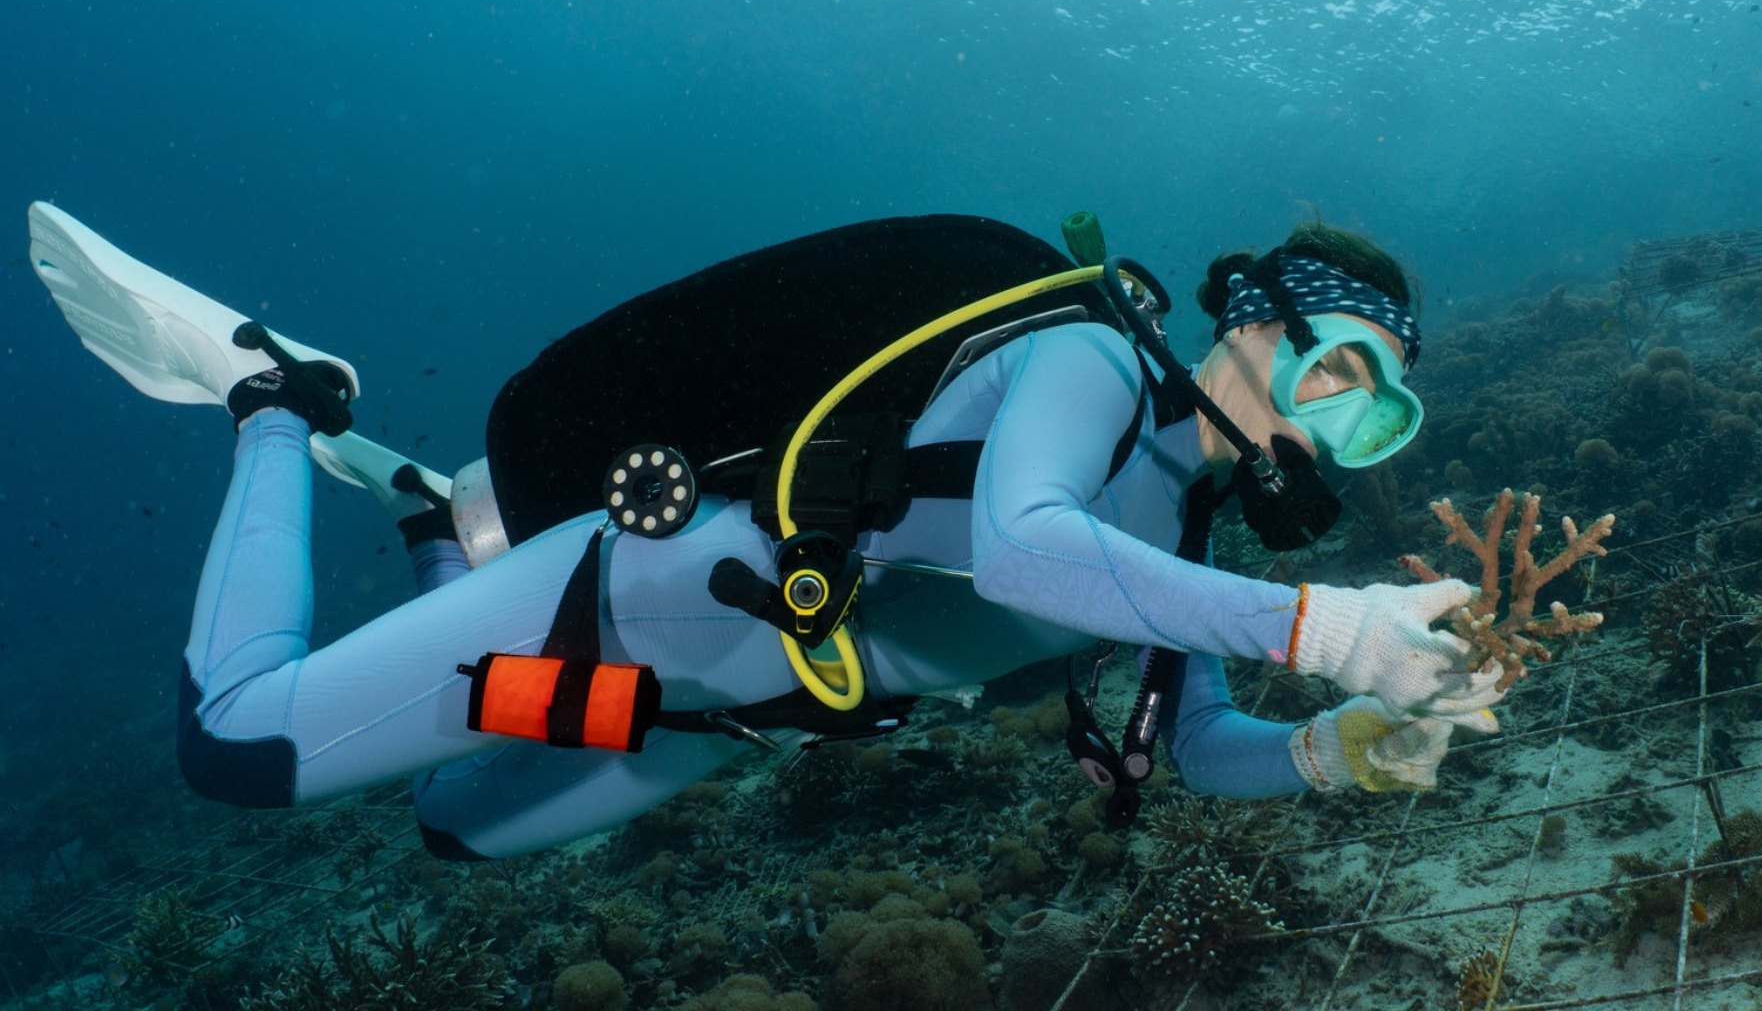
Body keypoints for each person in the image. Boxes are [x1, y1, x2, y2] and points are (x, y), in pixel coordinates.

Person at [28, 202, 1502, 859]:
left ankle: (428, 522)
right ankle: (282, 398)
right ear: (1254, 326)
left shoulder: (1188, 542)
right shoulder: (1093, 362)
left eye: (1380, 421)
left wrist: (1331, 754)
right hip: (639, 598)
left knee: (448, 826)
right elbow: (1028, 552)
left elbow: (1193, 750)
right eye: (1335, 376)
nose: (1335, 430)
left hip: (712, 721)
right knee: (237, 750)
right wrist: (1329, 627)